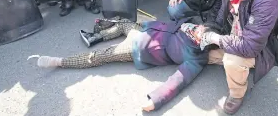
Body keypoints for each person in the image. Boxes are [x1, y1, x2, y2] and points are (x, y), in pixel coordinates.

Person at [31, 16, 223, 112]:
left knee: (99, 57)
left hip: (138, 49)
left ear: (206, 42)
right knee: (123, 22)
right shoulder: (190, 23)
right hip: (144, 30)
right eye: (200, 27)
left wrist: (155, 101)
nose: (197, 29)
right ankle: (99, 35)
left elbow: (178, 81)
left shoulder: (196, 57)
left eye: (201, 32)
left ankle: (60, 62)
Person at [199, 0, 278, 114]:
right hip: (233, 38)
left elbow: (250, 47)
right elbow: (217, 17)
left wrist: (214, 38)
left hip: (257, 49)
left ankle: (237, 93)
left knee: (232, 60)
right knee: (200, 53)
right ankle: (238, 68)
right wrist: (206, 30)